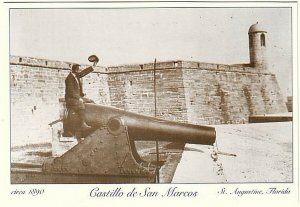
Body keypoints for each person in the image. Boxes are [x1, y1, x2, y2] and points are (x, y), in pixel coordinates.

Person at [64, 63, 94, 130]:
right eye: (79, 70)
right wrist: (79, 98)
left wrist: (92, 67)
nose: (80, 71)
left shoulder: (76, 76)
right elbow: (71, 91)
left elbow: (83, 73)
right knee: (80, 104)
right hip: (70, 99)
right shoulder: (69, 79)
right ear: (75, 70)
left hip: (77, 97)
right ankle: (82, 123)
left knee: (91, 101)